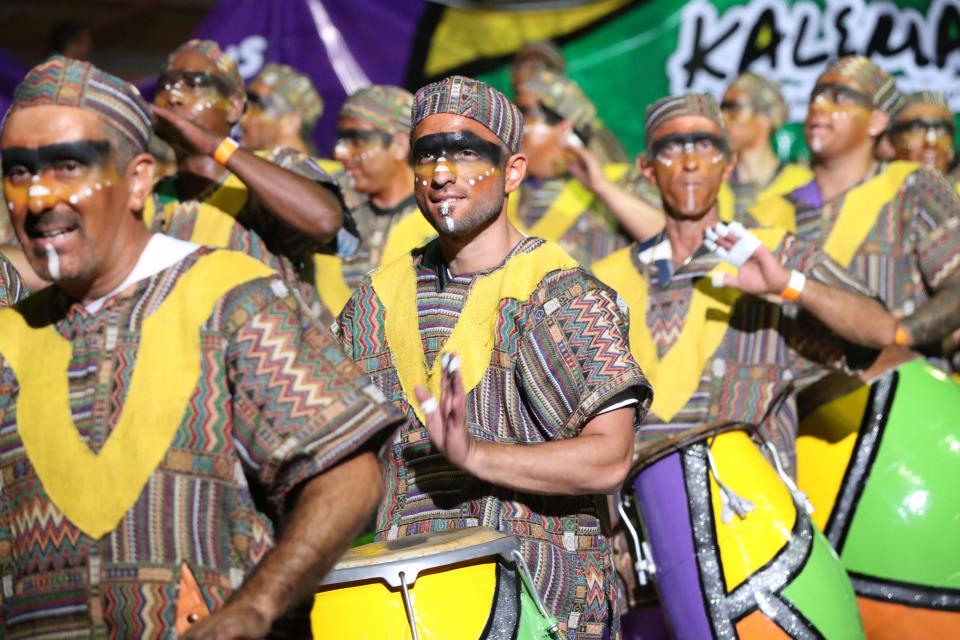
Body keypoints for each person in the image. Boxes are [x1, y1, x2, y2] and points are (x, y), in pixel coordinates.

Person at [0, 56, 401, 638]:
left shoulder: (231, 298)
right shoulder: (13, 337)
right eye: (17, 172)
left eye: (68, 166)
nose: (38, 197)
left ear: (137, 180)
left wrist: (257, 605)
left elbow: (347, 474)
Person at [335, 75, 652, 639]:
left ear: (512, 172)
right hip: (403, 604)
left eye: (465, 152)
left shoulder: (560, 293)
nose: (440, 173)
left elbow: (609, 459)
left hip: (540, 604)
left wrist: (474, 454)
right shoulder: (372, 304)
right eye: (427, 154)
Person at [593, 93, 894, 473]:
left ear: (729, 163)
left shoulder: (770, 252)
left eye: (706, 147)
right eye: (671, 148)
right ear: (647, 169)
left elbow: (881, 331)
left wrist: (790, 284)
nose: (690, 163)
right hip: (640, 522)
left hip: (757, 518)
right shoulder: (607, 280)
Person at [750, 56, 960, 366]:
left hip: (901, 398)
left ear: (876, 121)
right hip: (797, 404)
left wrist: (899, 336)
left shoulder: (912, 188)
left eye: (839, 97)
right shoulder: (770, 210)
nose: (819, 105)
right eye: (816, 96)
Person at [146, 39, 352, 297]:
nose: (174, 96)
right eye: (165, 84)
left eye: (195, 84)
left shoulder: (278, 168)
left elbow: (325, 220)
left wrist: (215, 146)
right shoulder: (145, 198)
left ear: (234, 106)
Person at [512, 70, 659, 265]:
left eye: (523, 113)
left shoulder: (620, 182)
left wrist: (602, 188)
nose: (511, 123)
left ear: (565, 128)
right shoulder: (502, 192)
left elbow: (672, 244)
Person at [317, 85, 435, 314]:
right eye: (341, 140)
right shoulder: (336, 199)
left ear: (399, 146)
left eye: (356, 141)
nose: (339, 152)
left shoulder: (438, 215)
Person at [720, 72, 813, 221]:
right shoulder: (714, 181)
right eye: (721, 109)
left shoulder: (801, 182)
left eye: (733, 108)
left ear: (766, 117)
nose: (723, 118)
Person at [241, 63, 324, 155]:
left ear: (290, 122)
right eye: (245, 106)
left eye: (257, 109)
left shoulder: (321, 169)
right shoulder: (242, 165)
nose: (243, 119)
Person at [889, 90, 957, 182]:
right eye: (916, 129)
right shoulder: (872, 193)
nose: (931, 141)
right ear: (892, 142)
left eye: (942, 131)